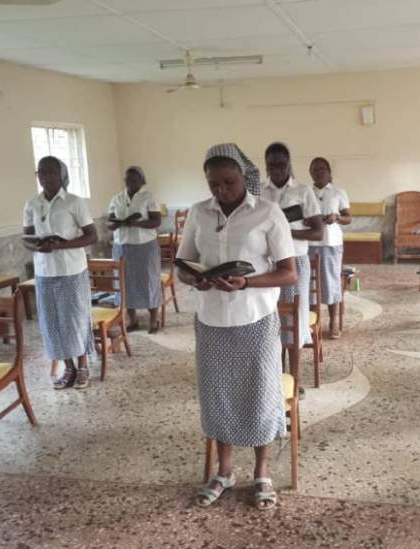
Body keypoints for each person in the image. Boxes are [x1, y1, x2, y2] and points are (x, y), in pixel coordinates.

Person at [177, 143, 297, 510]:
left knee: (260, 395)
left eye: (228, 182)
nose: (222, 190)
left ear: (244, 177)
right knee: (218, 397)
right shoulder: (199, 213)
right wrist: (195, 278)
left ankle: (262, 472)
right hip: (211, 320)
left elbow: (288, 271)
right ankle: (225, 471)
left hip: (255, 320)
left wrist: (247, 282)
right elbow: (183, 262)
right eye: (214, 184)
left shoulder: (267, 212)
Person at [22, 156, 97, 390]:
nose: (45, 177)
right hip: (45, 272)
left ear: (61, 175)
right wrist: (38, 246)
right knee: (52, 322)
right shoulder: (32, 204)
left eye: (50, 172)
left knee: (75, 319)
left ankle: (83, 366)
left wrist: (61, 245)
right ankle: (69, 368)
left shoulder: (75, 202)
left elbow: (92, 235)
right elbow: (27, 238)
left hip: (71, 270)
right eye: (41, 173)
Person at [261, 143, 323, 379]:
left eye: (281, 164)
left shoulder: (303, 191)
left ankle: (295, 380)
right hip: (268, 264)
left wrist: (285, 231)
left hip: (296, 261)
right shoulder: (260, 194)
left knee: (294, 322)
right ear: (266, 165)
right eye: (271, 165)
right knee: (273, 320)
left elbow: (318, 233)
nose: (276, 169)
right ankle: (277, 377)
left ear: (289, 163)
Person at [107, 166, 163, 333]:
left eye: (134, 179)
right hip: (122, 246)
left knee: (149, 282)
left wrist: (136, 223)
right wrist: (118, 223)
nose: (130, 182)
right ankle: (133, 320)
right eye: (127, 179)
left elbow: (156, 221)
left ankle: (154, 319)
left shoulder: (148, 197)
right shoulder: (116, 199)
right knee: (125, 283)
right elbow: (109, 223)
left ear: (141, 180)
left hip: (145, 246)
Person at [308, 157, 351, 339]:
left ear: (329, 172)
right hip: (309, 244)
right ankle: (313, 322)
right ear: (310, 173)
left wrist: (337, 218)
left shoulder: (338, 192)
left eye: (322, 169)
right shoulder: (305, 192)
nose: (318, 172)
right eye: (315, 170)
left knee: (331, 283)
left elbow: (348, 218)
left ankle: (333, 322)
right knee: (309, 285)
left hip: (331, 243)